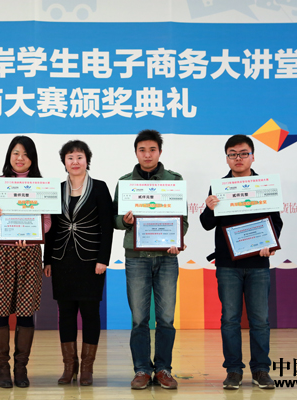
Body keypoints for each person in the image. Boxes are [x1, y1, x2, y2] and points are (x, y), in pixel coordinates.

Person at [200, 134, 283, 390]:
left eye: (243, 153)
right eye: (233, 154)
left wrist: (270, 243)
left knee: (260, 320)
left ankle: (261, 370)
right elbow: (206, 224)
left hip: (258, 264)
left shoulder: (264, 186)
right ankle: (233, 370)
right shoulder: (219, 187)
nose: (238, 158)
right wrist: (209, 208)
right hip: (228, 265)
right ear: (227, 158)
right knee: (230, 319)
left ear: (252, 157)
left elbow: (276, 222)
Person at [112, 129, 188, 390]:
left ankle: (164, 369)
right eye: (142, 150)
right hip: (136, 257)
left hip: (167, 257)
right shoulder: (125, 183)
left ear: (160, 152)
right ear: (136, 153)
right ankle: (142, 370)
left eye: (152, 150)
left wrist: (177, 239)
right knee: (139, 318)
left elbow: (183, 220)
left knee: (166, 318)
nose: (147, 154)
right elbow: (114, 219)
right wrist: (125, 221)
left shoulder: (174, 181)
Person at [0, 136, 51, 388]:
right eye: (16, 153)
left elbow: (46, 222)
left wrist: (31, 234)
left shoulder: (41, 186)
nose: (20, 158)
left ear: (33, 158)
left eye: (26, 154)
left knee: (25, 312)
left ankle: (21, 368)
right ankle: (2, 369)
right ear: (9, 156)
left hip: (29, 253)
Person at [43, 140, 114, 386]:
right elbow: (51, 228)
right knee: (66, 314)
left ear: (87, 160)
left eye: (79, 157)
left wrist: (103, 259)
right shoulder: (57, 189)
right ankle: (69, 367)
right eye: (70, 157)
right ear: (64, 162)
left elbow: (107, 227)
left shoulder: (100, 188)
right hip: (62, 260)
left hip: (91, 261)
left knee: (91, 314)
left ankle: (87, 369)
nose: (75, 162)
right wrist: (48, 259)